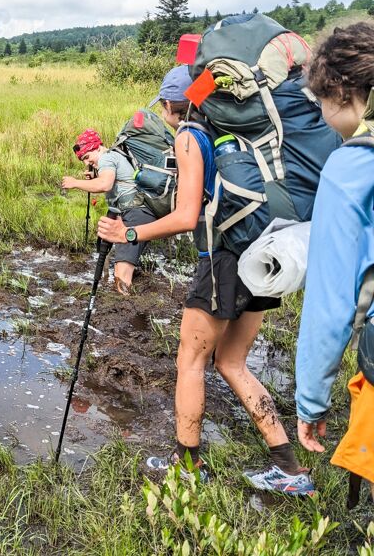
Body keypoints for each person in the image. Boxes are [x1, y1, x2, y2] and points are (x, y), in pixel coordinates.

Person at [98, 65, 313, 494]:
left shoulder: (191, 134)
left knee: (190, 361)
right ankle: (289, 469)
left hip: (222, 258)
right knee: (231, 363)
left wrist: (130, 232)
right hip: (265, 253)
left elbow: (185, 215)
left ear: (171, 104)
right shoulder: (241, 130)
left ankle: (186, 465)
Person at [294, 23, 374, 498]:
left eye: (321, 101)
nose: (322, 114)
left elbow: (331, 301)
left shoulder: (352, 165)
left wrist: (311, 401)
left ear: (342, 91)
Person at [62, 128, 156, 294]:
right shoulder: (113, 156)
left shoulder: (106, 158)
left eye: (87, 157)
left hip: (136, 213)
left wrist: (74, 182)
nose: (86, 163)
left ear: (97, 147)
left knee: (121, 272)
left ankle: (125, 307)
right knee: (116, 257)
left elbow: (104, 185)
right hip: (136, 211)